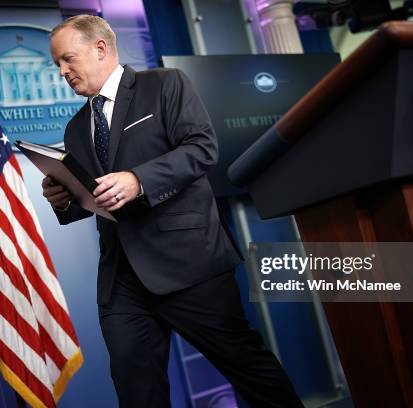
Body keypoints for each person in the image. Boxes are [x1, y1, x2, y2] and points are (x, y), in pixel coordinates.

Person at [42, 15, 304, 408]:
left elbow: (202, 149)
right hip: (122, 281)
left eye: (67, 59)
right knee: (136, 391)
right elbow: (95, 196)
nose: (62, 71)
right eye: (57, 65)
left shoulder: (165, 84)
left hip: (189, 265)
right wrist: (65, 200)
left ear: (100, 48)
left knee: (248, 368)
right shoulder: (76, 128)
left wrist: (138, 179)